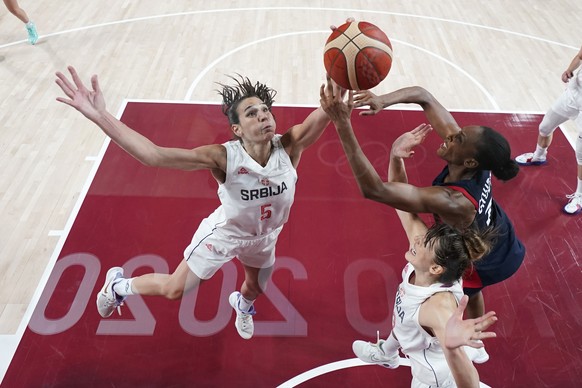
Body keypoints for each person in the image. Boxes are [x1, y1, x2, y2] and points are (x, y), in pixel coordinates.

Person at [55, 66, 334, 340]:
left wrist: (341, 77)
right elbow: (155, 156)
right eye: (252, 113)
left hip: (265, 236)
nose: (263, 116)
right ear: (237, 129)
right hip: (226, 234)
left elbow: (329, 108)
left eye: (265, 111)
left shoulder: (289, 145)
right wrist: (100, 115)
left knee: (255, 287)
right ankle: (118, 287)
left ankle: (242, 305)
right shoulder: (223, 158)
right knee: (174, 290)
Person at [320, 83, 525, 362]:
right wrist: (382, 100)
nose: (451, 136)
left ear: (470, 162)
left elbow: (376, 191)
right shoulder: (472, 157)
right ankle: (475, 345)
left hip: (483, 257)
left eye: (458, 139)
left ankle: (453, 347)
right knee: (472, 290)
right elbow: (423, 95)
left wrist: (342, 124)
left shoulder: (453, 200)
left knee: (417, 298)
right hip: (501, 239)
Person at [515, 45, 582, 215]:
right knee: (545, 127)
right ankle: (539, 156)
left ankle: (580, 196)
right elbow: (580, 55)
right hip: (573, 95)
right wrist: (569, 70)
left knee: (581, 154)